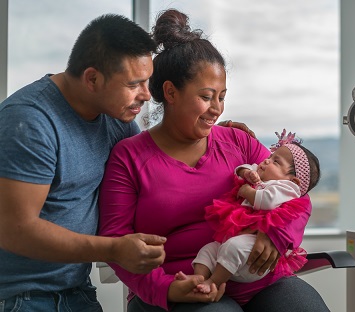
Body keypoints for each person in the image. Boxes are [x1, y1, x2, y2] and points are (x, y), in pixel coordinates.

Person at [98, 8, 330, 312]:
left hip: (254, 279)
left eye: (222, 96)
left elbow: (296, 193)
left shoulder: (239, 142)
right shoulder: (128, 157)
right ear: (170, 92)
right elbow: (116, 241)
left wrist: (278, 235)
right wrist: (165, 289)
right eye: (207, 96)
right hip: (176, 282)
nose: (217, 109)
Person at [0, 14, 169, 311]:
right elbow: (15, 230)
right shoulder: (29, 121)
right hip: (19, 297)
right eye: (134, 84)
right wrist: (115, 249)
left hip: (76, 289)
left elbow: (157, 167)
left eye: (147, 82)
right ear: (92, 78)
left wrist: (214, 137)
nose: (146, 95)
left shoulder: (117, 119)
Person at [187, 130, 321, 294]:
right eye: (270, 157)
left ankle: (213, 282)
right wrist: (246, 172)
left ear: (293, 181)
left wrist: (246, 191)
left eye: (275, 161)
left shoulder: (286, 188)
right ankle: (199, 279)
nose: (266, 160)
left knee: (233, 247)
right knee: (208, 249)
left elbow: (267, 201)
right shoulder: (263, 175)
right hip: (238, 245)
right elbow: (243, 168)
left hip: (251, 258)